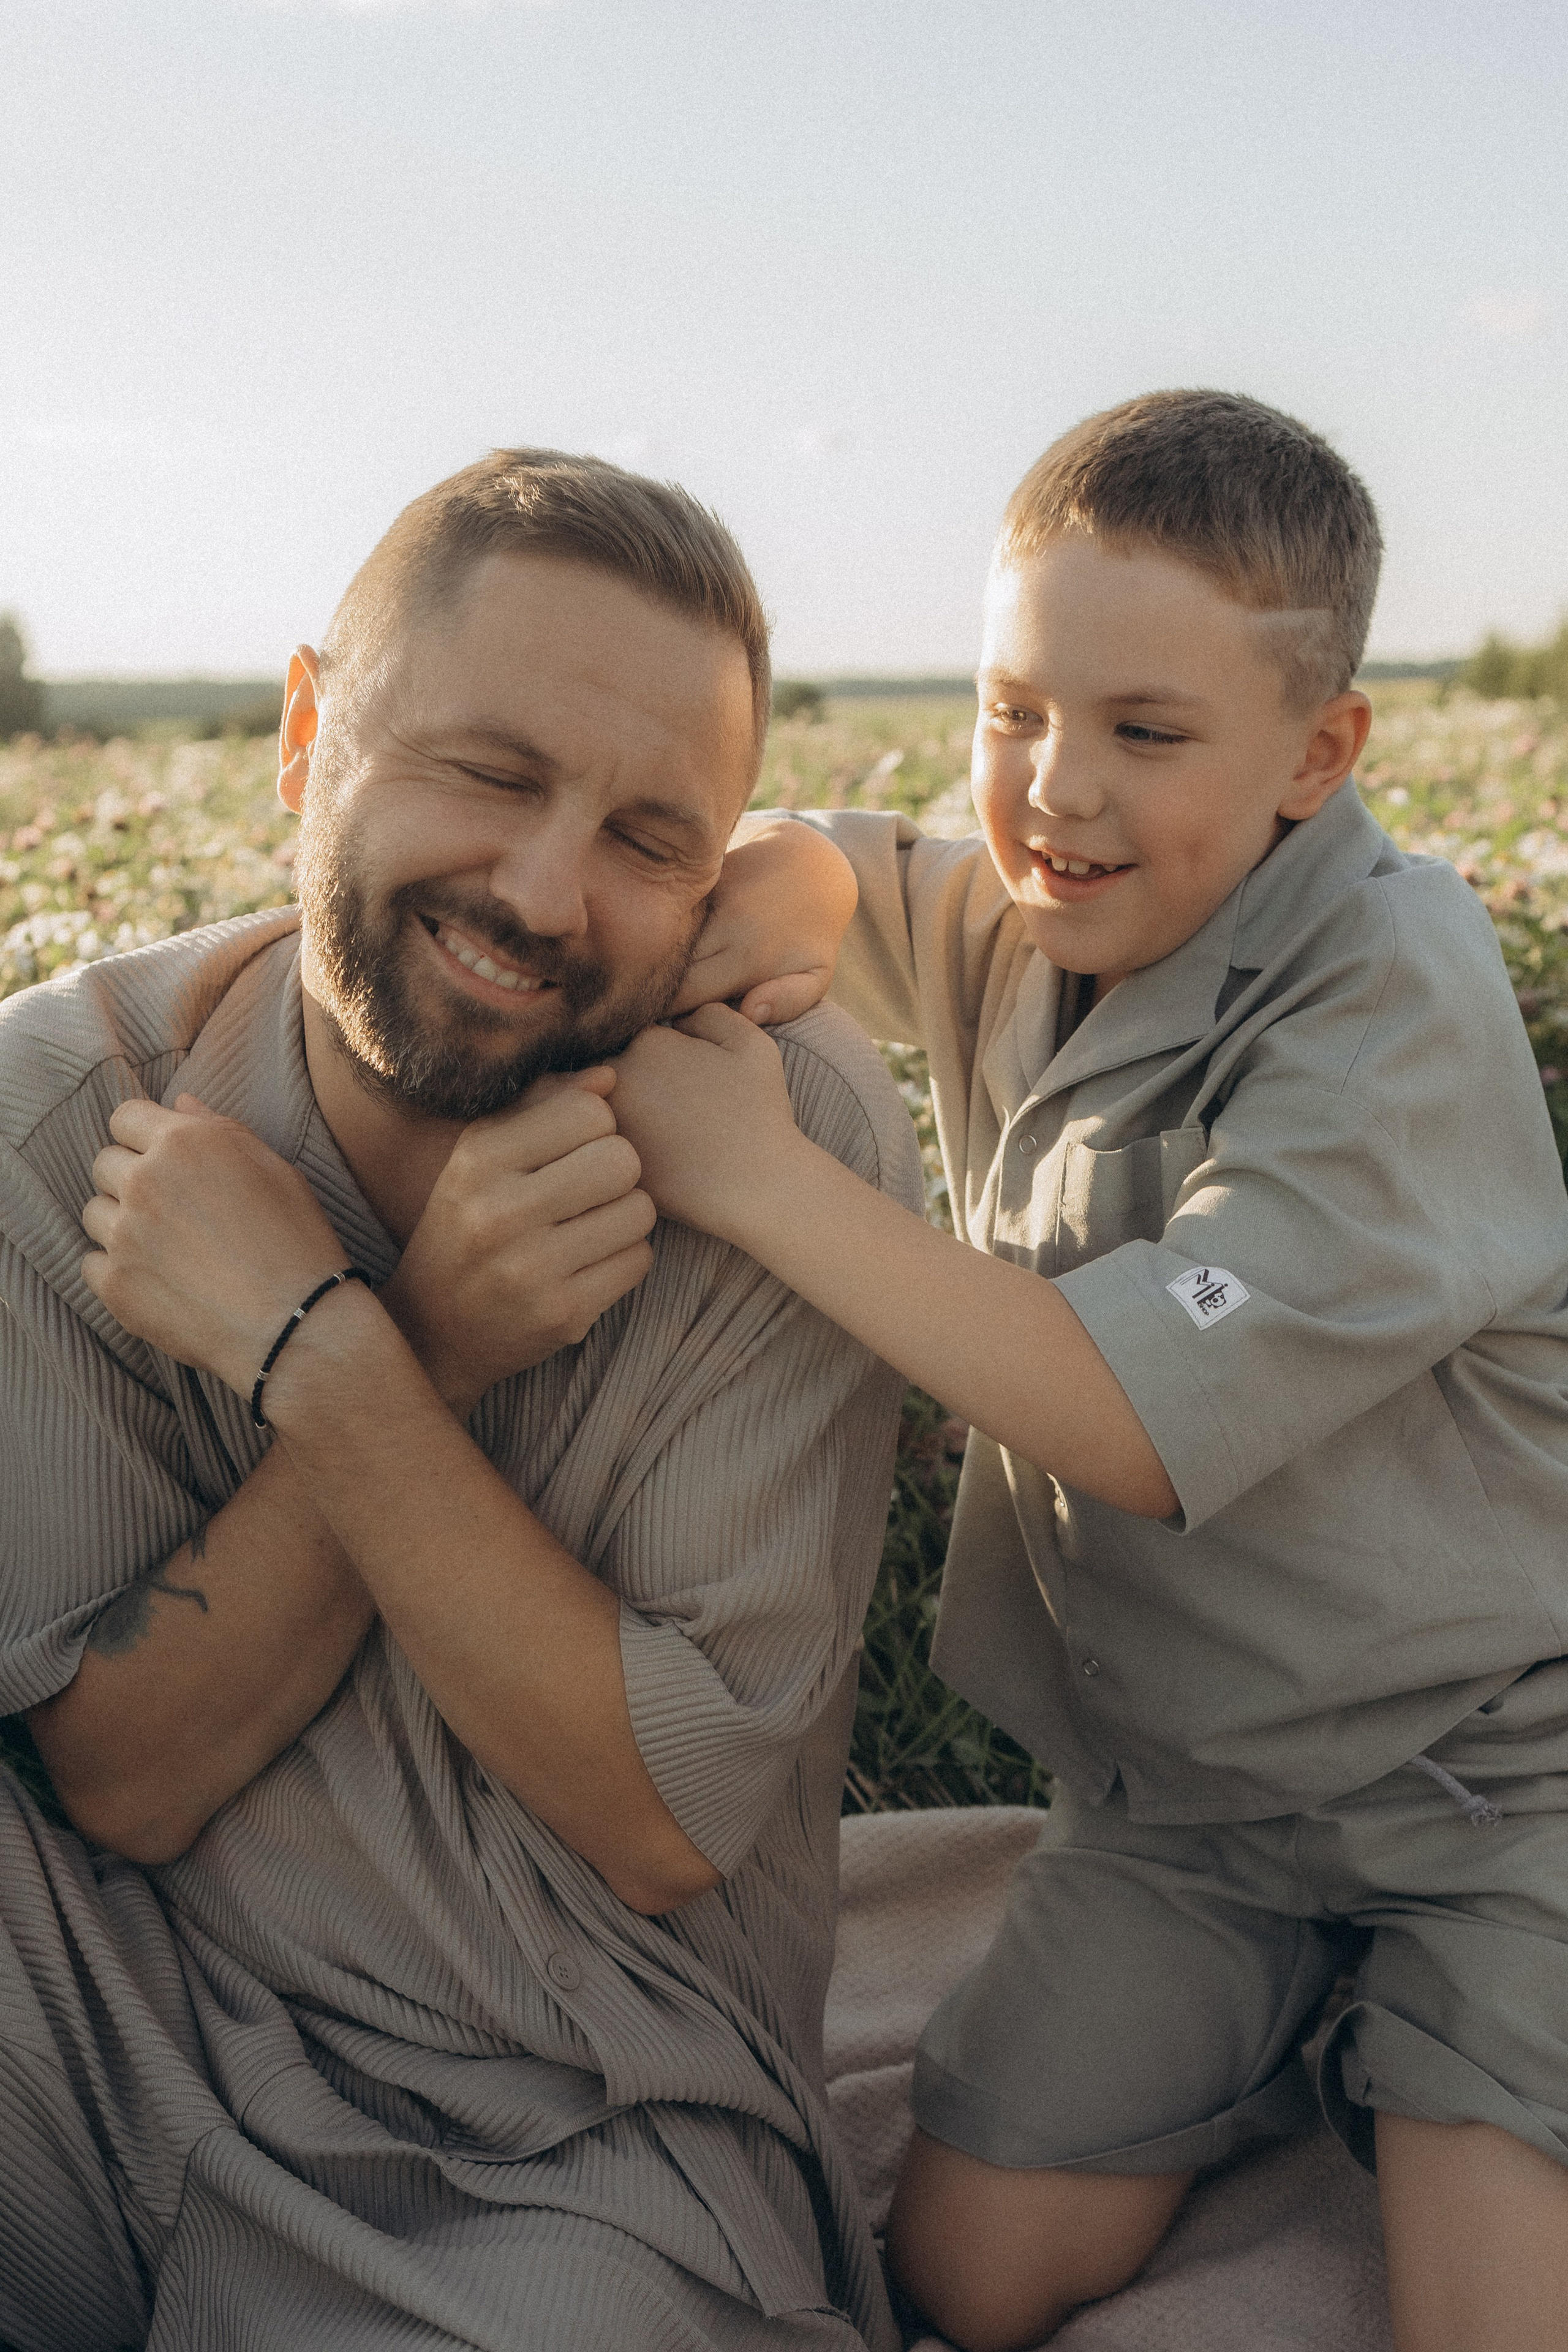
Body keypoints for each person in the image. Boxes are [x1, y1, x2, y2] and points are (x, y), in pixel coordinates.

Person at [609, 391, 1568, 2352]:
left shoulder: (1393, 1000)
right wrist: (788, 875)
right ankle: (1316, 2040)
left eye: (1145, 732)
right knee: (968, 2272)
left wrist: (764, 1180)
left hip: (1495, 1785)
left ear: (1321, 755)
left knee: (1491, 2319)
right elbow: (855, 873)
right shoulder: (1038, 910)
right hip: (1187, 1799)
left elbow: (1126, 1418)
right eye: (1012, 708)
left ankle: (1434, 2042)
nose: (1054, 790)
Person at [0, 449, 922, 2352]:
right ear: (304, 730)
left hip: (573, 2132)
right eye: (490, 774)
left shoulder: (784, 1142)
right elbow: (118, 1780)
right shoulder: (56, 1124)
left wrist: (346, 1353)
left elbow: (660, 1820)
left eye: (653, 839)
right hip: (102, 2035)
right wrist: (429, 1331)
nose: (541, 888)